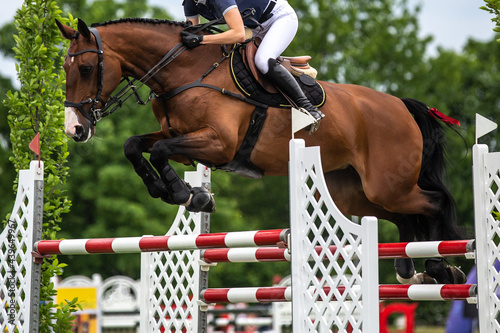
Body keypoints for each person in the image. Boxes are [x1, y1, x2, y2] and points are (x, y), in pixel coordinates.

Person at [181, 0, 325, 129]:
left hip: (278, 18)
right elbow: (193, 34)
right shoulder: (190, 3)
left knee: (262, 60)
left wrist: (200, 40)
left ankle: (308, 107)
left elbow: (238, 34)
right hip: (254, 27)